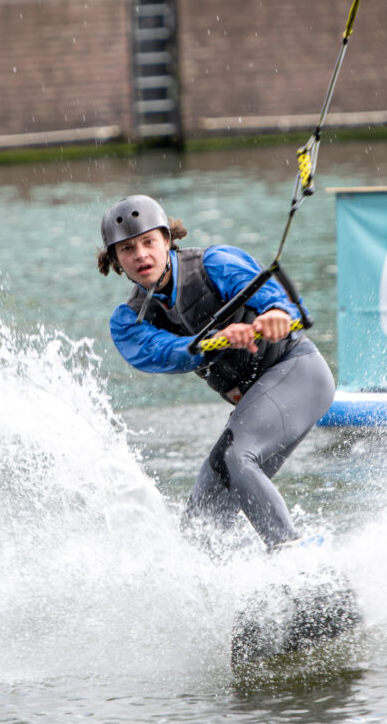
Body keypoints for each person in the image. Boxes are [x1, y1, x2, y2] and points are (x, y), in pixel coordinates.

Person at [100, 195, 334, 556]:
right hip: (257, 402)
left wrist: (274, 313)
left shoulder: (214, 263)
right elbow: (168, 353)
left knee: (236, 456)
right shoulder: (129, 322)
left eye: (149, 241)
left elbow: (282, 301)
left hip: (298, 372)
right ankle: (242, 592)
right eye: (128, 248)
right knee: (199, 526)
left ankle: (295, 558)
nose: (141, 254)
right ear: (116, 260)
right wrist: (213, 340)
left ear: (167, 240)